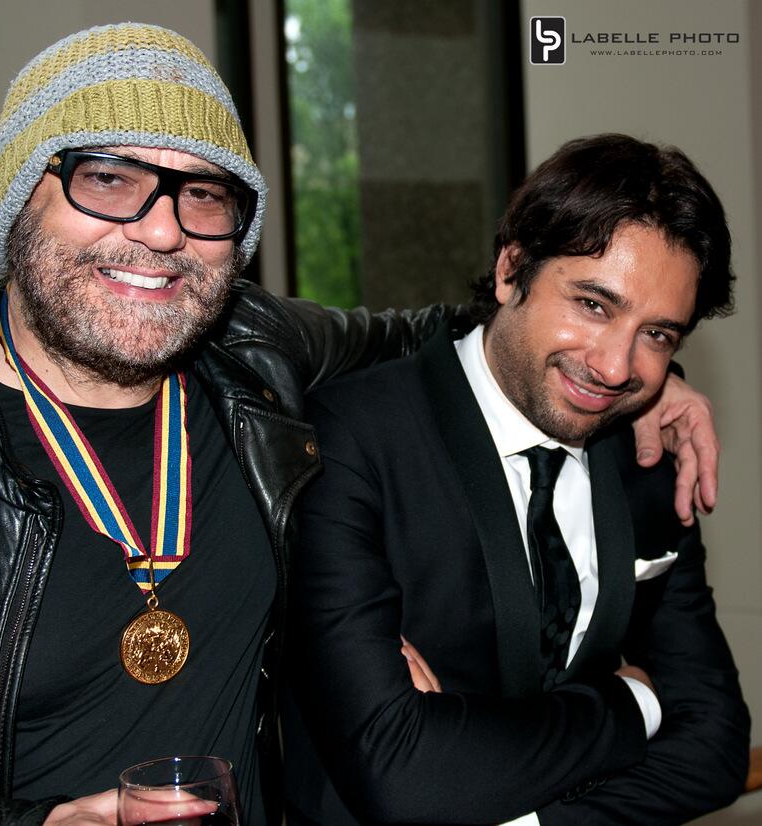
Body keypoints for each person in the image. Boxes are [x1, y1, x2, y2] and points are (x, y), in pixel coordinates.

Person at [0, 23, 720, 826]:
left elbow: (457, 336)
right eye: (108, 177)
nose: (161, 230)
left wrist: (650, 376)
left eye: (205, 195)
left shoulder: (261, 356)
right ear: (16, 197)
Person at [285, 134, 750, 826]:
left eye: (658, 335)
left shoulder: (647, 451)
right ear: (510, 271)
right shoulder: (353, 439)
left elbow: (715, 745)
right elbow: (401, 775)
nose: (617, 366)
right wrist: (638, 703)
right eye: (594, 305)